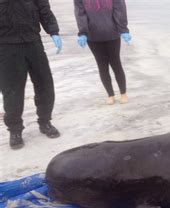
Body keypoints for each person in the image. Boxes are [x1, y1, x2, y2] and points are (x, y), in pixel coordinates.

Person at [0, 0, 62, 150]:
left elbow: (44, 10)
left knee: (45, 84)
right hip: (7, 46)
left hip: (33, 42)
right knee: (12, 91)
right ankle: (15, 131)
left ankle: (45, 121)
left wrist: (53, 31)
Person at [74, 0, 131, 106]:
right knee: (102, 65)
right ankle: (110, 94)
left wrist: (123, 29)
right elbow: (80, 13)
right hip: (93, 36)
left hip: (112, 33)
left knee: (116, 63)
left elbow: (120, 9)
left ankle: (123, 93)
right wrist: (83, 32)